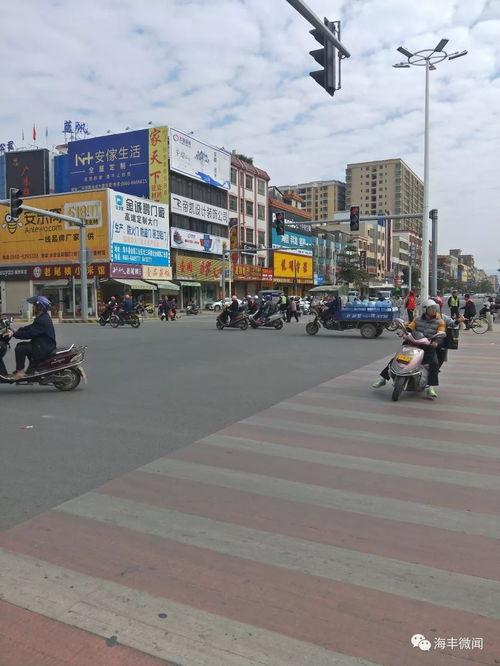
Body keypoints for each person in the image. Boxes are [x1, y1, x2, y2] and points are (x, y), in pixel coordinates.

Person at [372, 298, 446, 399]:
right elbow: (409, 327)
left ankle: (430, 386)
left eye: (434, 308)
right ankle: (383, 378)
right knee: (397, 358)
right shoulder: (417, 319)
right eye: (431, 308)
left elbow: (441, 333)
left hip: (428, 345)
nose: (434, 310)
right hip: (413, 342)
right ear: (425, 309)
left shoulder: (440, 321)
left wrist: (436, 342)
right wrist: (403, 332)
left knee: (434, 363)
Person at [5, 296, 56, 379]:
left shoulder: (42, 320)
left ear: (40, 307)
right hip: (43, 344)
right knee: (21, 345)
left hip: (43, 347)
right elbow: (30, 327)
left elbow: (29, 334)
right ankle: (31, 367)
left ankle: (20, 372)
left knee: (20, 348)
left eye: (35, 306)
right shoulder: (42, 317)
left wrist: (14, 334)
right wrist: (17, 330)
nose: (33, 307)